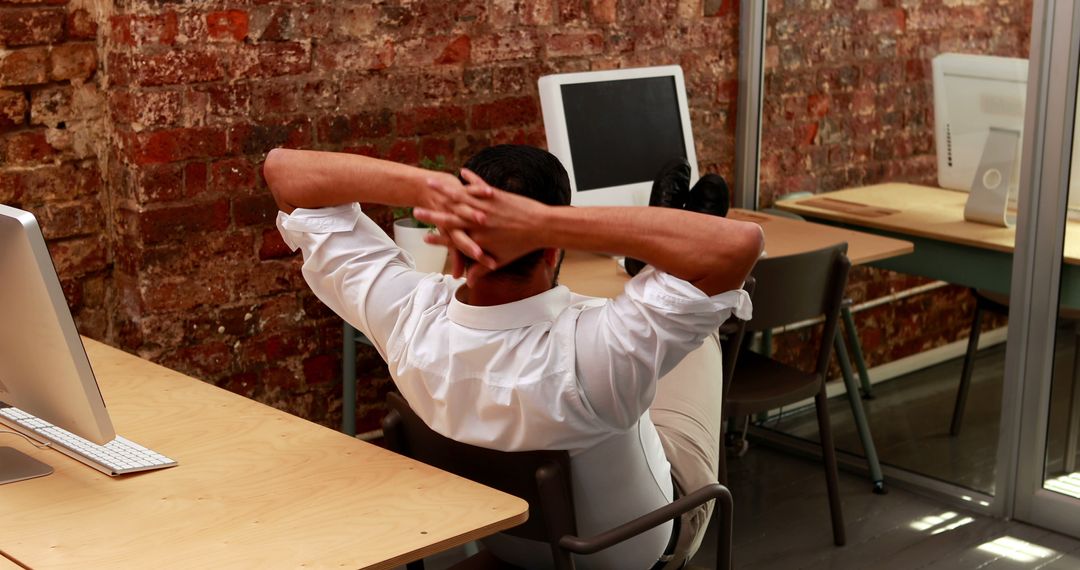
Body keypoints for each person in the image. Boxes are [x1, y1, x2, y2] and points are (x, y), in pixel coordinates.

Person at [264, 145, 763, 569]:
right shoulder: (597, 350)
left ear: (455, 241)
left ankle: (660, 275)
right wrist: (546, 221)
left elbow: (282, 170)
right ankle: (660, 265)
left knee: (668, 321)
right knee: (700, 332)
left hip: (510, 539)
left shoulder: (406, 318)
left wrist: (429, 191)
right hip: (632, 549)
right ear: (551, 250)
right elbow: (741, 245)